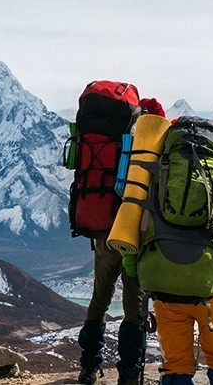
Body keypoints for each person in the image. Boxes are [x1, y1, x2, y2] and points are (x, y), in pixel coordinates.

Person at [120, 116, 213, 385]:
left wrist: (133, 268)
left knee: (175, 365)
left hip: (163, 284)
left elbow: (132, 220)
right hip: (210, 288)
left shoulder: (155, 167)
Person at [77, 97, 165, 385]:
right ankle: (129, 374)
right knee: (134, 306)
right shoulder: (152, 142)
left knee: (99, 299)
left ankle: (88, 368)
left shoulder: (111, 139)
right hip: (134, 233)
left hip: (103, 229)